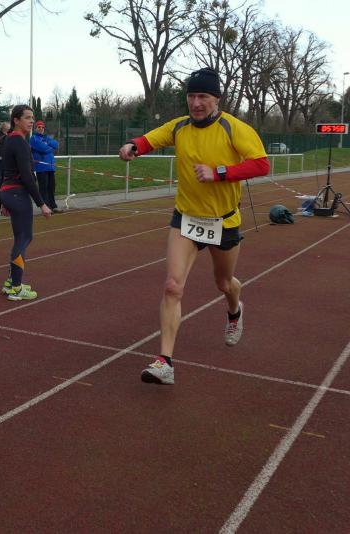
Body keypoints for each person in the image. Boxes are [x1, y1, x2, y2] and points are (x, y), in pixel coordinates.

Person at [118, 67, 269, 386]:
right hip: (186, 218)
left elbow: (261, 164)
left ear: (216, 99)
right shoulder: (179, 127)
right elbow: (150, 139)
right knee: (172, 286)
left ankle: (235, 309)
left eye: (203, 97)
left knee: (224, 283)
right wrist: (133, 146)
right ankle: (165, 362)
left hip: (223, 221)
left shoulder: (233, 128)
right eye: (191, 96)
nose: (196, 103)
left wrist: (220, 173)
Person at [0, 105, 53, 301]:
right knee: (24, 238)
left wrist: (3, 199)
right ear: (16, 120)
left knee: (20, 238)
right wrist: (41, 203)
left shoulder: (10, 140)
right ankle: (16, 287)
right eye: (27, 118)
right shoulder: (19, 143)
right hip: (17, 194)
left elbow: (5, 171)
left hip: (9, 193)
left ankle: (11, 282)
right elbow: (27, 177)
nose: (31, 121)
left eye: (32, 118)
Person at [29, 120, 61, 212]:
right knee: (44, 188)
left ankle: (53, 205)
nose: (41, 129)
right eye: (39, 127)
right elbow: (44, 149)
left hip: (50, 166)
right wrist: (50, 146)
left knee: (51, 187)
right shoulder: (33, 138)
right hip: (41, 167)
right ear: (35, 128)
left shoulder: (47, 137)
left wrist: (48, 144)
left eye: (42, 127)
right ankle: (46, 206)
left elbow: (56, 144)